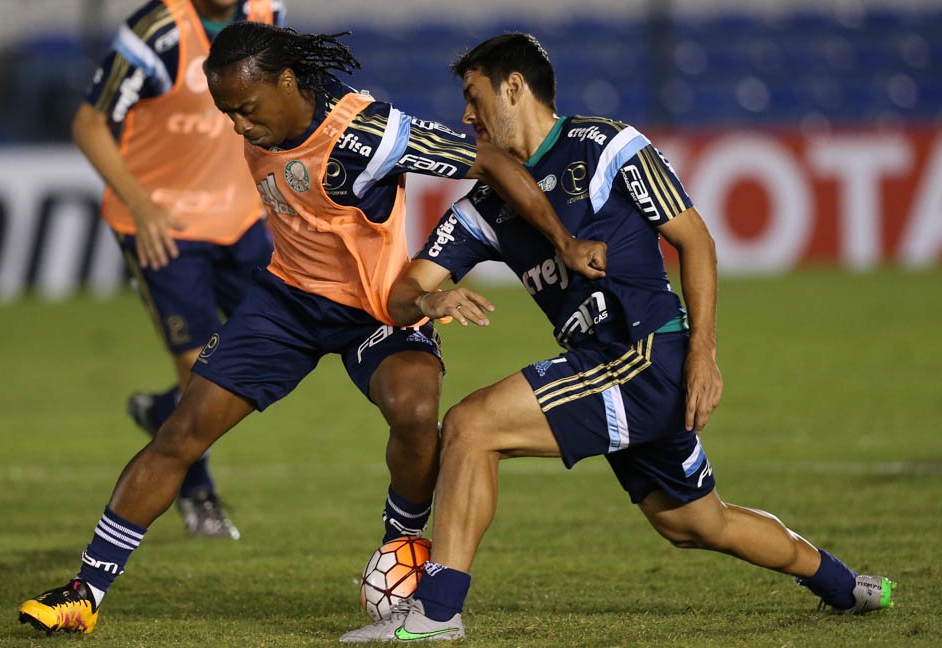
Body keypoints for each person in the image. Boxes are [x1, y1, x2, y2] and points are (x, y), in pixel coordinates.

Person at [18, 24, 606, 636]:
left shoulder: (366, 134)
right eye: (226, 113)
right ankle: (84, 593)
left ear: (287, 82)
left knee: (414, 409)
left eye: (245, 109)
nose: (238, 127)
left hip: (377, 309)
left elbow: (486, 159)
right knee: (182, 432)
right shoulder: (263, 114)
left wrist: (562, 240)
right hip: (287, 303)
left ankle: (400, 544)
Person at [339, 33, 894, 643]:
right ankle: (849, 587)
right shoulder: (488, 204)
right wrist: (431, 298)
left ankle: (436, 615)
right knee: (694, 523)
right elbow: (401, 294)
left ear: (514, 87)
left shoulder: (606, 147)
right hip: (606, 366)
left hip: (646, 354)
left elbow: (695, 241)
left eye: (473, 97)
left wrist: (704, 354)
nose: (465, 116)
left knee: (473, 426)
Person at [73, 0, 287, 540]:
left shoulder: (267, 10)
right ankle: (200, 496)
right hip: (165, 226)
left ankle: (163, 411)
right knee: (199, 372)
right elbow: (89, 123)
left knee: (280, 346)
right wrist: (141, 205)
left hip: (241, 220)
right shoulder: (156, 31)